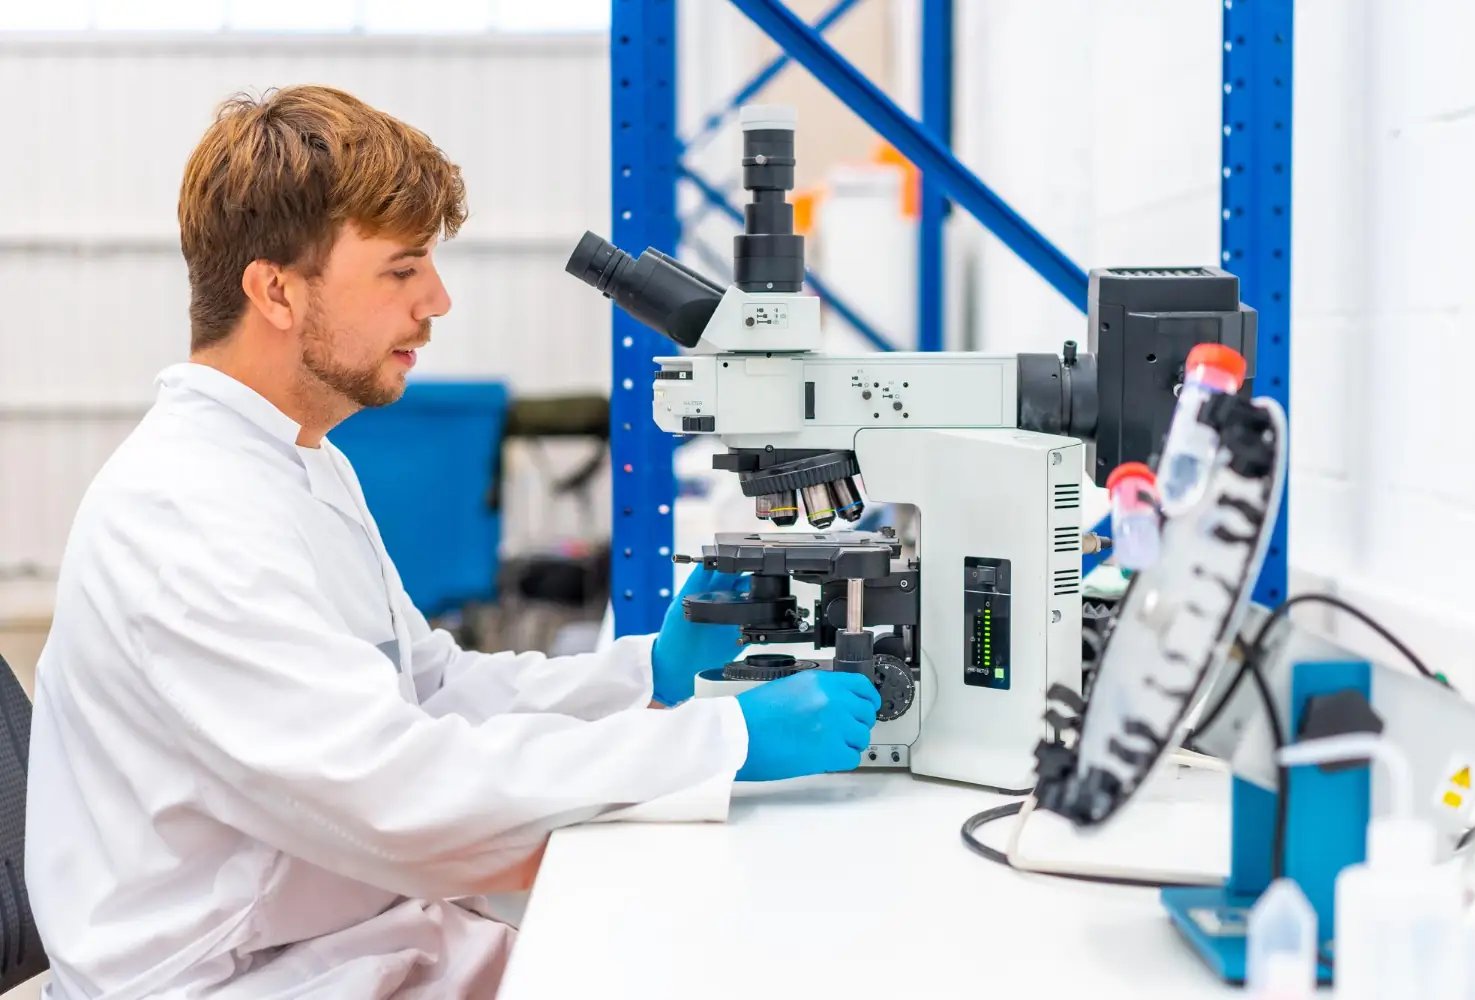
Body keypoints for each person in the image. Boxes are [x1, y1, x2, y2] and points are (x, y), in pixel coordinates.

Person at [24, 85, 880, 999]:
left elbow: (430, 688)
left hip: (336, 934)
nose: (436, 300)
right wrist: (724, 740)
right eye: (402, 269)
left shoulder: (299, 462)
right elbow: (398, 797)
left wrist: (645, 676)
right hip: (234, 979)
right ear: (275, 288)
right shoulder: (186, 514)